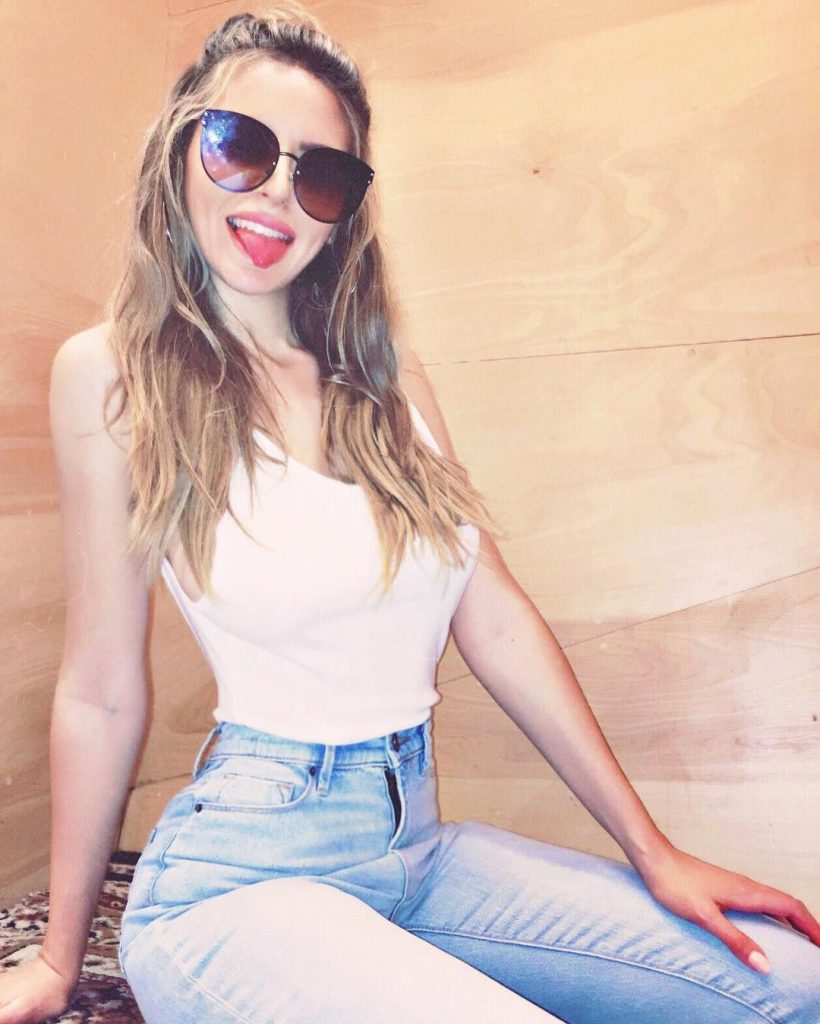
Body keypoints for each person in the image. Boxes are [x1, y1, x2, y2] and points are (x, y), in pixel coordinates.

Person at [2, 5, 819, 1023]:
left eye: (321, 174)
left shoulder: (386, 378)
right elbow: (99, 688)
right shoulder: (111, 373)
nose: (277, 193)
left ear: (345, 210)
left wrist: (652, 852)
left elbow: (496, 618)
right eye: (239, 145)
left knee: (791, 987)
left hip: (415, 850)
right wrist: (59, 958)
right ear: (180, 150)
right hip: (240, 877)